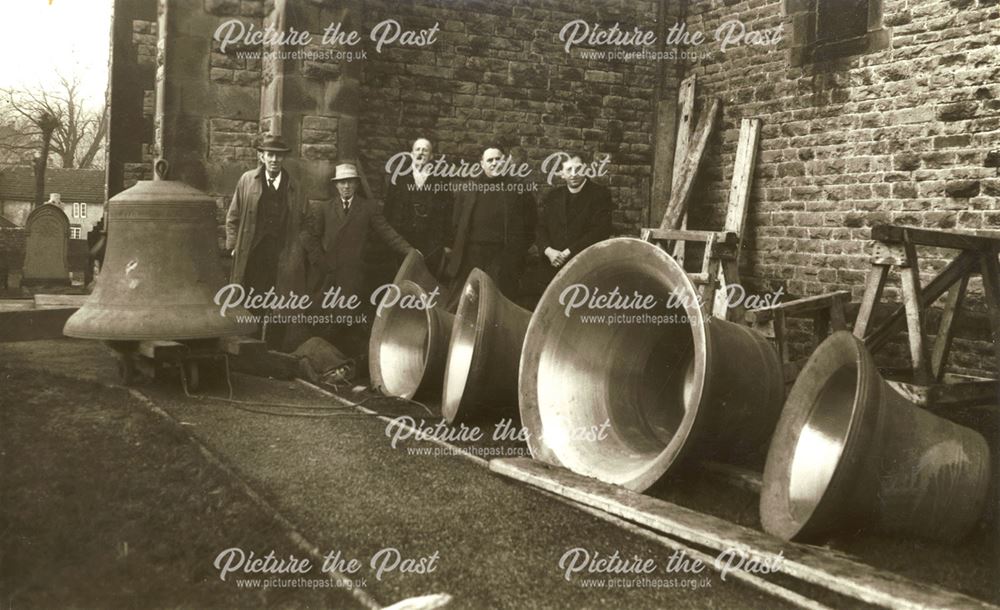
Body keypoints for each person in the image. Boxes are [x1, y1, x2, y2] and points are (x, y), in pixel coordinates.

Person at [302, 162, 415, 359]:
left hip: (353, 274)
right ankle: (323, 361)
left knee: (347, 320)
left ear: (356, 184)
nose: (346, 187)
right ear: (336, 185)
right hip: (328, 274)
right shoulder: (325, 208)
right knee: (323, 318)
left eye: (350, 182)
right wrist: (320, 262)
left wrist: (410, 251)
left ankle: (344, 363)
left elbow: (387, 232)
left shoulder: (368, 208)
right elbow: (309, 236)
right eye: (342, 183)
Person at [225, 134, 310, 350]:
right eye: (270, 155)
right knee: (252, 297)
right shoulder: (247, 180)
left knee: (280, 301)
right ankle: (251, 346)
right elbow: (233, 216)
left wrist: (298, 248)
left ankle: (274, 348)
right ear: (261, 157)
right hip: (253, 253)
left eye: (279, 156)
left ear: (283, 159)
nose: (274, 160)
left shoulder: (294, 186)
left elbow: (307, 220)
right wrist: (233, 245)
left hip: (282, 254)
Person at [444, 146, 535, 305]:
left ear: (505, 161)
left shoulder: (519, 191)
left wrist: (515, 252)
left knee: (497, 304)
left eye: (498, 159)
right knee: (460, 302)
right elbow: (456, 222)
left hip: (501, 257)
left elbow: (530, 227)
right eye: (490, 160)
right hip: (470, 254)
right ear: (482, 164)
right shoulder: (468, 188)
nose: (494, 163)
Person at [536, 154, 613, 284]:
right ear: (561, 173)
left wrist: (568, 253)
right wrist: (548, 251)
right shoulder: (553, 196)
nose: (573, 174)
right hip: (552, 265)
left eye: (578, 169)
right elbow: (541, 227)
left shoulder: (600, 195)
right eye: (569, 170)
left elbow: (600, 231)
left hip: (584, 265)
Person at [383, 138, 453, 276]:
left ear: (431, 156)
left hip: (431, 243)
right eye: (417, 149)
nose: (421, 153)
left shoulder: (441, 180)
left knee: (427, 279)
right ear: (412, 154)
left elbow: (448, 212)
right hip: (404, 240)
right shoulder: (399, 178)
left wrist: (447, 243)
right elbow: (389, 209)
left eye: (425, 150)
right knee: (402, 278)